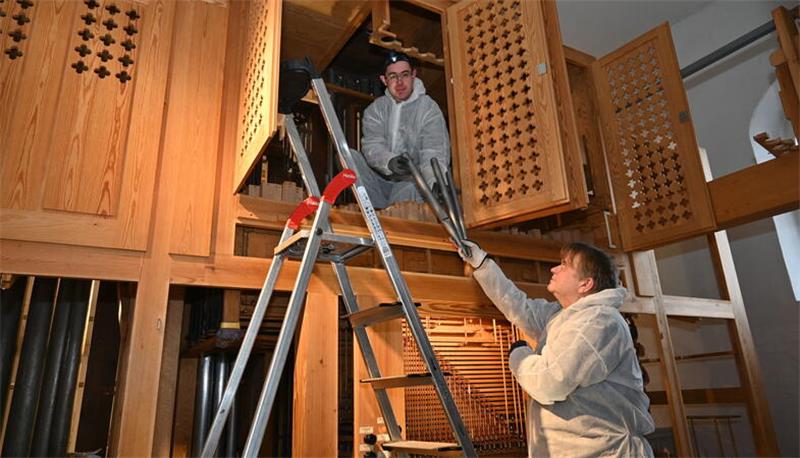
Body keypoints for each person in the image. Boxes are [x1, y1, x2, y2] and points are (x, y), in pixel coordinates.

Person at [458, 240, 655, 457]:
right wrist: (482, 264)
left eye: (564, 265)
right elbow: (519, 306)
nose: (554, 269)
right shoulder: (565, 316)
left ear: (585, 284)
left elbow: (549, 382)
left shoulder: (597, 323)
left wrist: (519, 354)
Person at [352, 51, 451, 209]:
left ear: (413, 75)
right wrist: (389, 161)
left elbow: (433, 152)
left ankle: (393, 218)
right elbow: (372, 146)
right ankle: (373, 211)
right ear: (384, 80)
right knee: (349, 157)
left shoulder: (428, 108)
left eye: (404, 75)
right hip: (379, 183)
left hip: (412, 182)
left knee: (410, 188)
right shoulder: (375, 110)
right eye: (392, 76)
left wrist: (435, 183)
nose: (399, 82)